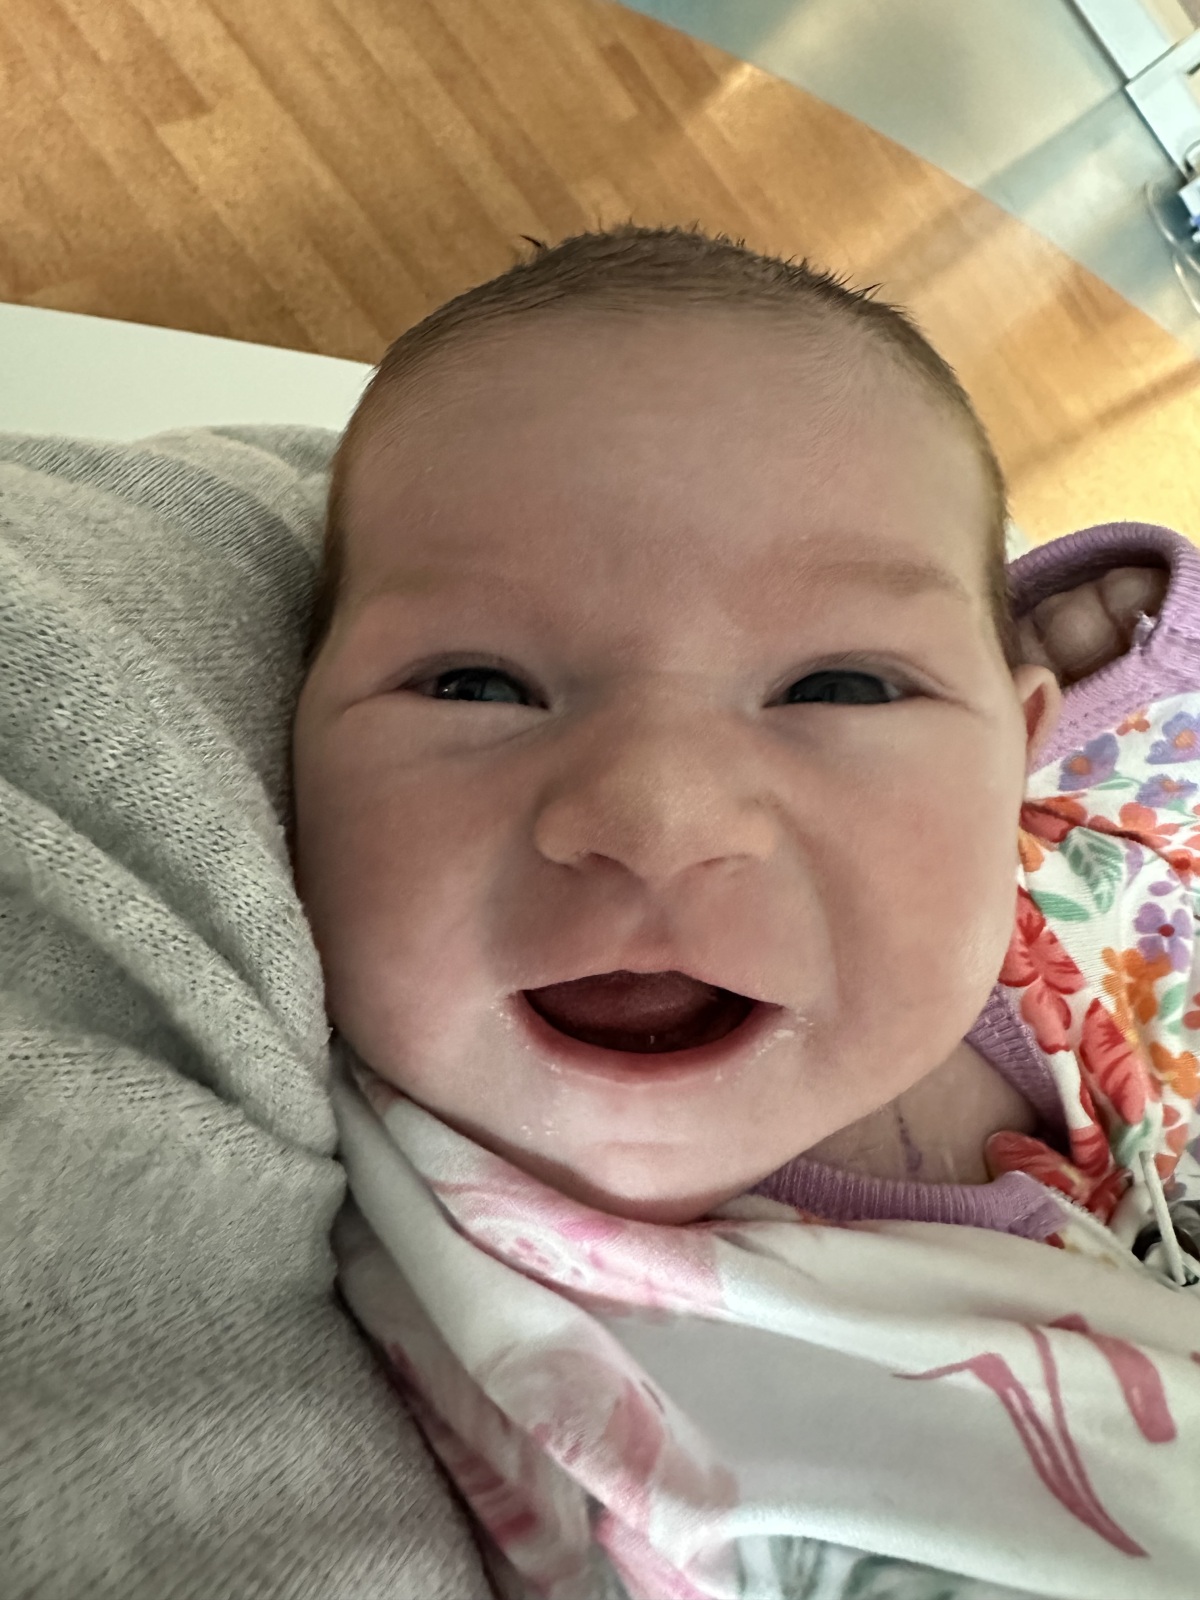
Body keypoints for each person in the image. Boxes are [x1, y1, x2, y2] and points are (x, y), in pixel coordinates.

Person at [287, 224, 1200, 1600]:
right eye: (476, 684)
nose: (657, 815)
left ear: (1012, 754)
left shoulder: (1045, 917)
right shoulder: (481, 1320)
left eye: (841, 686)